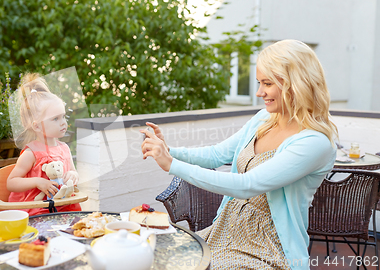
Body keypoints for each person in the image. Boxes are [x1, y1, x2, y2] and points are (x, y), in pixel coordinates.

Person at [141, 39, 337, 270]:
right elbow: (216, 154)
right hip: (225, 229)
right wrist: (169, 150)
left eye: (267, 83)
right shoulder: (263, 119)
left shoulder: (314, 142)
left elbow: (247, 185)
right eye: (259, 82)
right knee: (153, 254)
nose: (259, 92)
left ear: (296, 84)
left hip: (267, 247)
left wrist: (171, 164)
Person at [7, 73, 81, 215]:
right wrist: (37, 182)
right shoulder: (31, 152)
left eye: (63, 116)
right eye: (55, 119)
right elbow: (11, 182)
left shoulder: (64, 148)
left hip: (63, 207)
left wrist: (72, 175)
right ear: (37, 126)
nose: (63, 122)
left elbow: (73, 172)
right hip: (37, 211)